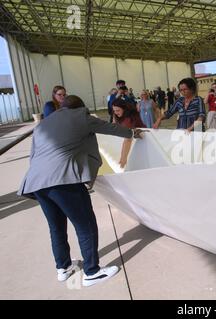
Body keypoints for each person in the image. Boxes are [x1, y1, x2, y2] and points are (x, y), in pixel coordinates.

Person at [17, 95, 142, 287]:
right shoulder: (81, 116)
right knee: (86, 225)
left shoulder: (43, 124)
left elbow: (33, 156)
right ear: (80, 107)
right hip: (63, 181)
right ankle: (92, 272)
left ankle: (63, 268)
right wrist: (132, 133)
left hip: (37, 182)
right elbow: (111, 128)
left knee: (56, 227)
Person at [112, 98, 145, 168]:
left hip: (142, 137)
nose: (116, 112)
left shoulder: (128, 119)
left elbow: (128, 140)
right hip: (133, 135)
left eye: (118, 110)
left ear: (124, 108)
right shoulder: (118, 115)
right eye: (114, 110)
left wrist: (123, 159)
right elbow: (114, 124)